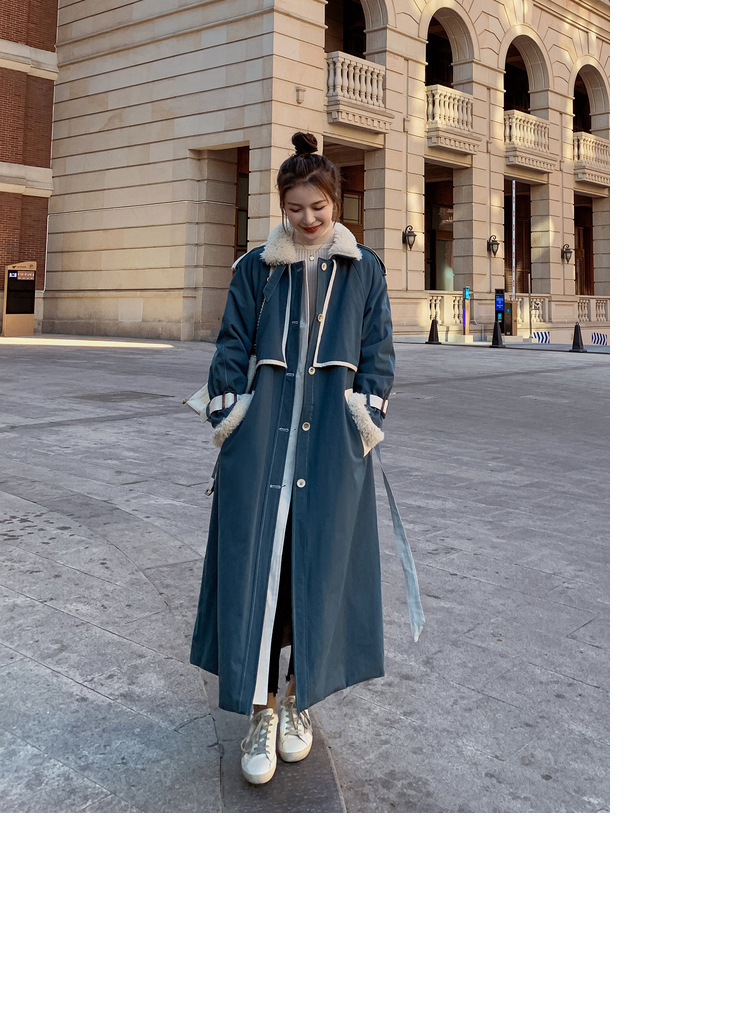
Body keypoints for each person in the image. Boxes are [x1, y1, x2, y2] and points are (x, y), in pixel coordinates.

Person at [190, 131, 401, 785]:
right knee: (259, 571)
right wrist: (230, 418)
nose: (308, 218)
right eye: (295, 207)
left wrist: (364, 419)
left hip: (331, 447)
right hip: (262, 449)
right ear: (280, 206)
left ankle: (295, 701)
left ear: (336, 202)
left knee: (316, 571)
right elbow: (231, 345)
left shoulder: (364, 270)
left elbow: (379, 351)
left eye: (319, 207)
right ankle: (259, 710)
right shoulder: (256, 268)